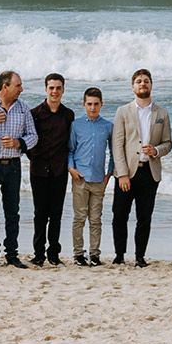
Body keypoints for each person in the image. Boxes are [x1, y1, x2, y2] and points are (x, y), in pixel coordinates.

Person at [113, 69, 171, 268]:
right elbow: (117, 145)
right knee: (119, 215)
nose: (142, 84)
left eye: (146, 81)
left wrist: (156, 150)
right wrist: (122, 174)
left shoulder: (161, 113)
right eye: (139, 81)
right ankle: (119, 255)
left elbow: (168, 143)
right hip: (127, 172)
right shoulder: (123, 111)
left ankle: (140, 257)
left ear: (151, 85)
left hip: (150, 172)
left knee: (144, 217)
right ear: (133, 86)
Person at [0, 71, 34, 268]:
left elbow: (33, 136)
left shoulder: (22, 108)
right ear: (5, 87)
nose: (21, 89)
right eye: (18, 85)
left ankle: (12, 254)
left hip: (13, 166)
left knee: (12, 212)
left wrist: (17, 142)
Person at [23, 74, 74, 265]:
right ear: (46, 89)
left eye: (58, 88)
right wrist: (35, 157)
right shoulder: (34, 113)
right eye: (51, 88)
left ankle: (53, 254)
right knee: (40, 214)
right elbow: (28, 140)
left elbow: (69, 143)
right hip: (38, 171)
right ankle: (38, 254)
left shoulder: (68, 114)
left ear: (63, 90)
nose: (55, 91)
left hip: (59, 171)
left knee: (56, 214)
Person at [66, 86, 117, 266]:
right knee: (79, 218)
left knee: (96, 219)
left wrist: (109, 174)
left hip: (98, 179)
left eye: (96, 104)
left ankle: (95, 255)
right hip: (79, 179)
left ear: (102, 104)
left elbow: (114, 152)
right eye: (89, 104)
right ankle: (78, 254)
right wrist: (71, 169)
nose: (92, 107)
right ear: (84, 104)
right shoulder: (76, 125)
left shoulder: (108, 126)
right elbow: (70, 150)